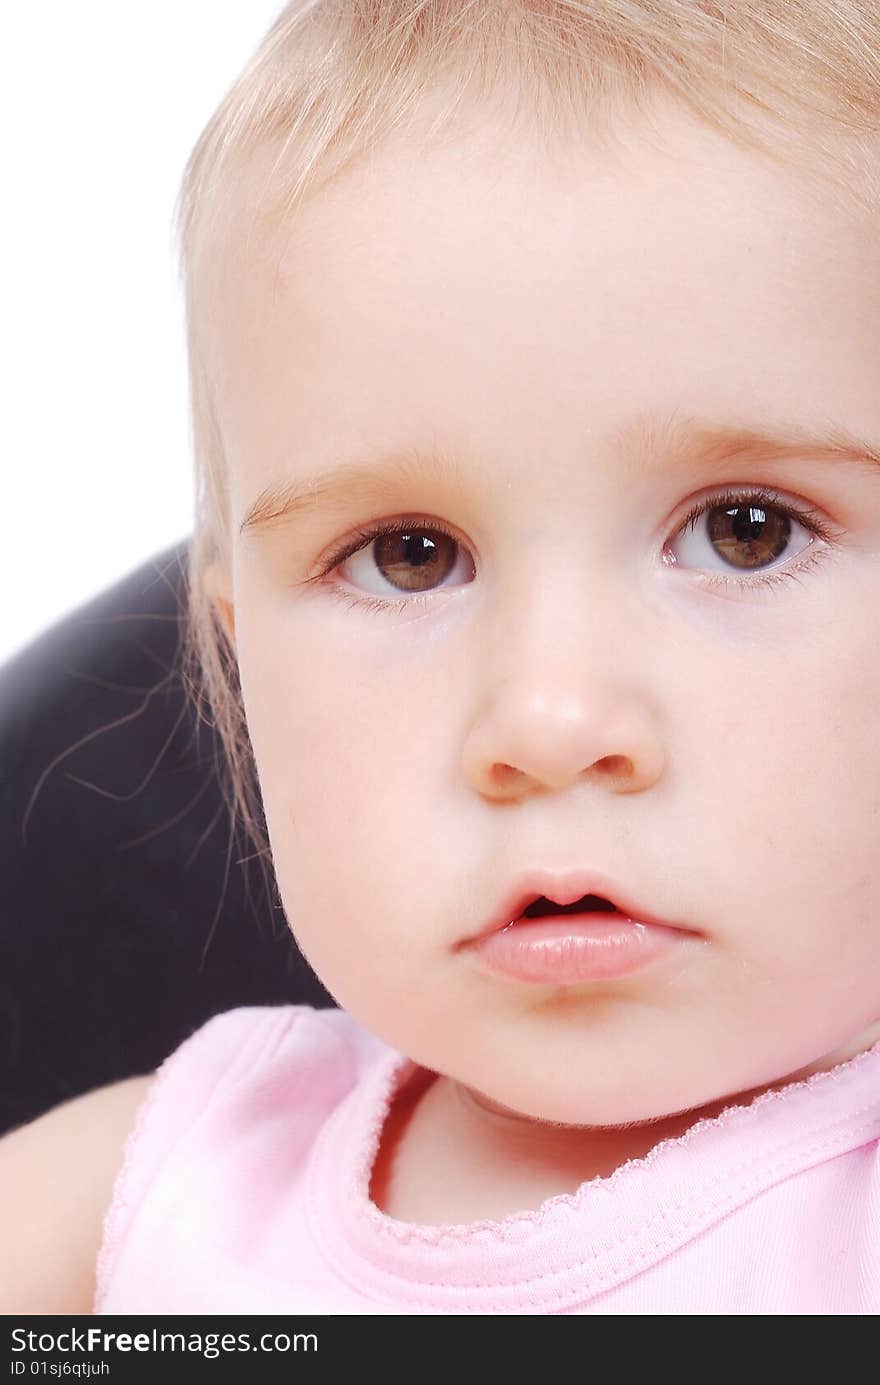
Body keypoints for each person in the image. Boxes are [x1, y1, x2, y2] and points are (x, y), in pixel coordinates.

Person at [3, 0, 880, 1315]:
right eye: (407, 554)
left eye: (745, 532)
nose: (547, 717)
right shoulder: (162, 1182)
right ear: (244, 665)